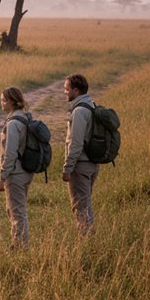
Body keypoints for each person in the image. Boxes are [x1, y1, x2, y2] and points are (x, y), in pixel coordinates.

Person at [63, 73, 100, 234]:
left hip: (81, 165)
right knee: (85, 205)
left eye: (66, 89)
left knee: (81, 208)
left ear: (76, 90)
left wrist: (68, 168)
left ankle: (87, 245)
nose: (65, 92)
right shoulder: (91, 104)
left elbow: (76, 143)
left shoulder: (78, 112)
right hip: (92, 164)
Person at [0, 87, 33, 249]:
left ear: (12, 102)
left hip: (15, 173)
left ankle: (20, 247)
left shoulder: (13, 124)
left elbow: (10, 154)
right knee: (15, 209)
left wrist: (2, 177)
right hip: (26, 171)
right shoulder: (25, 118)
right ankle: (17, 244)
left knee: (17, 212)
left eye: (4, 100)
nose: (2, 103)